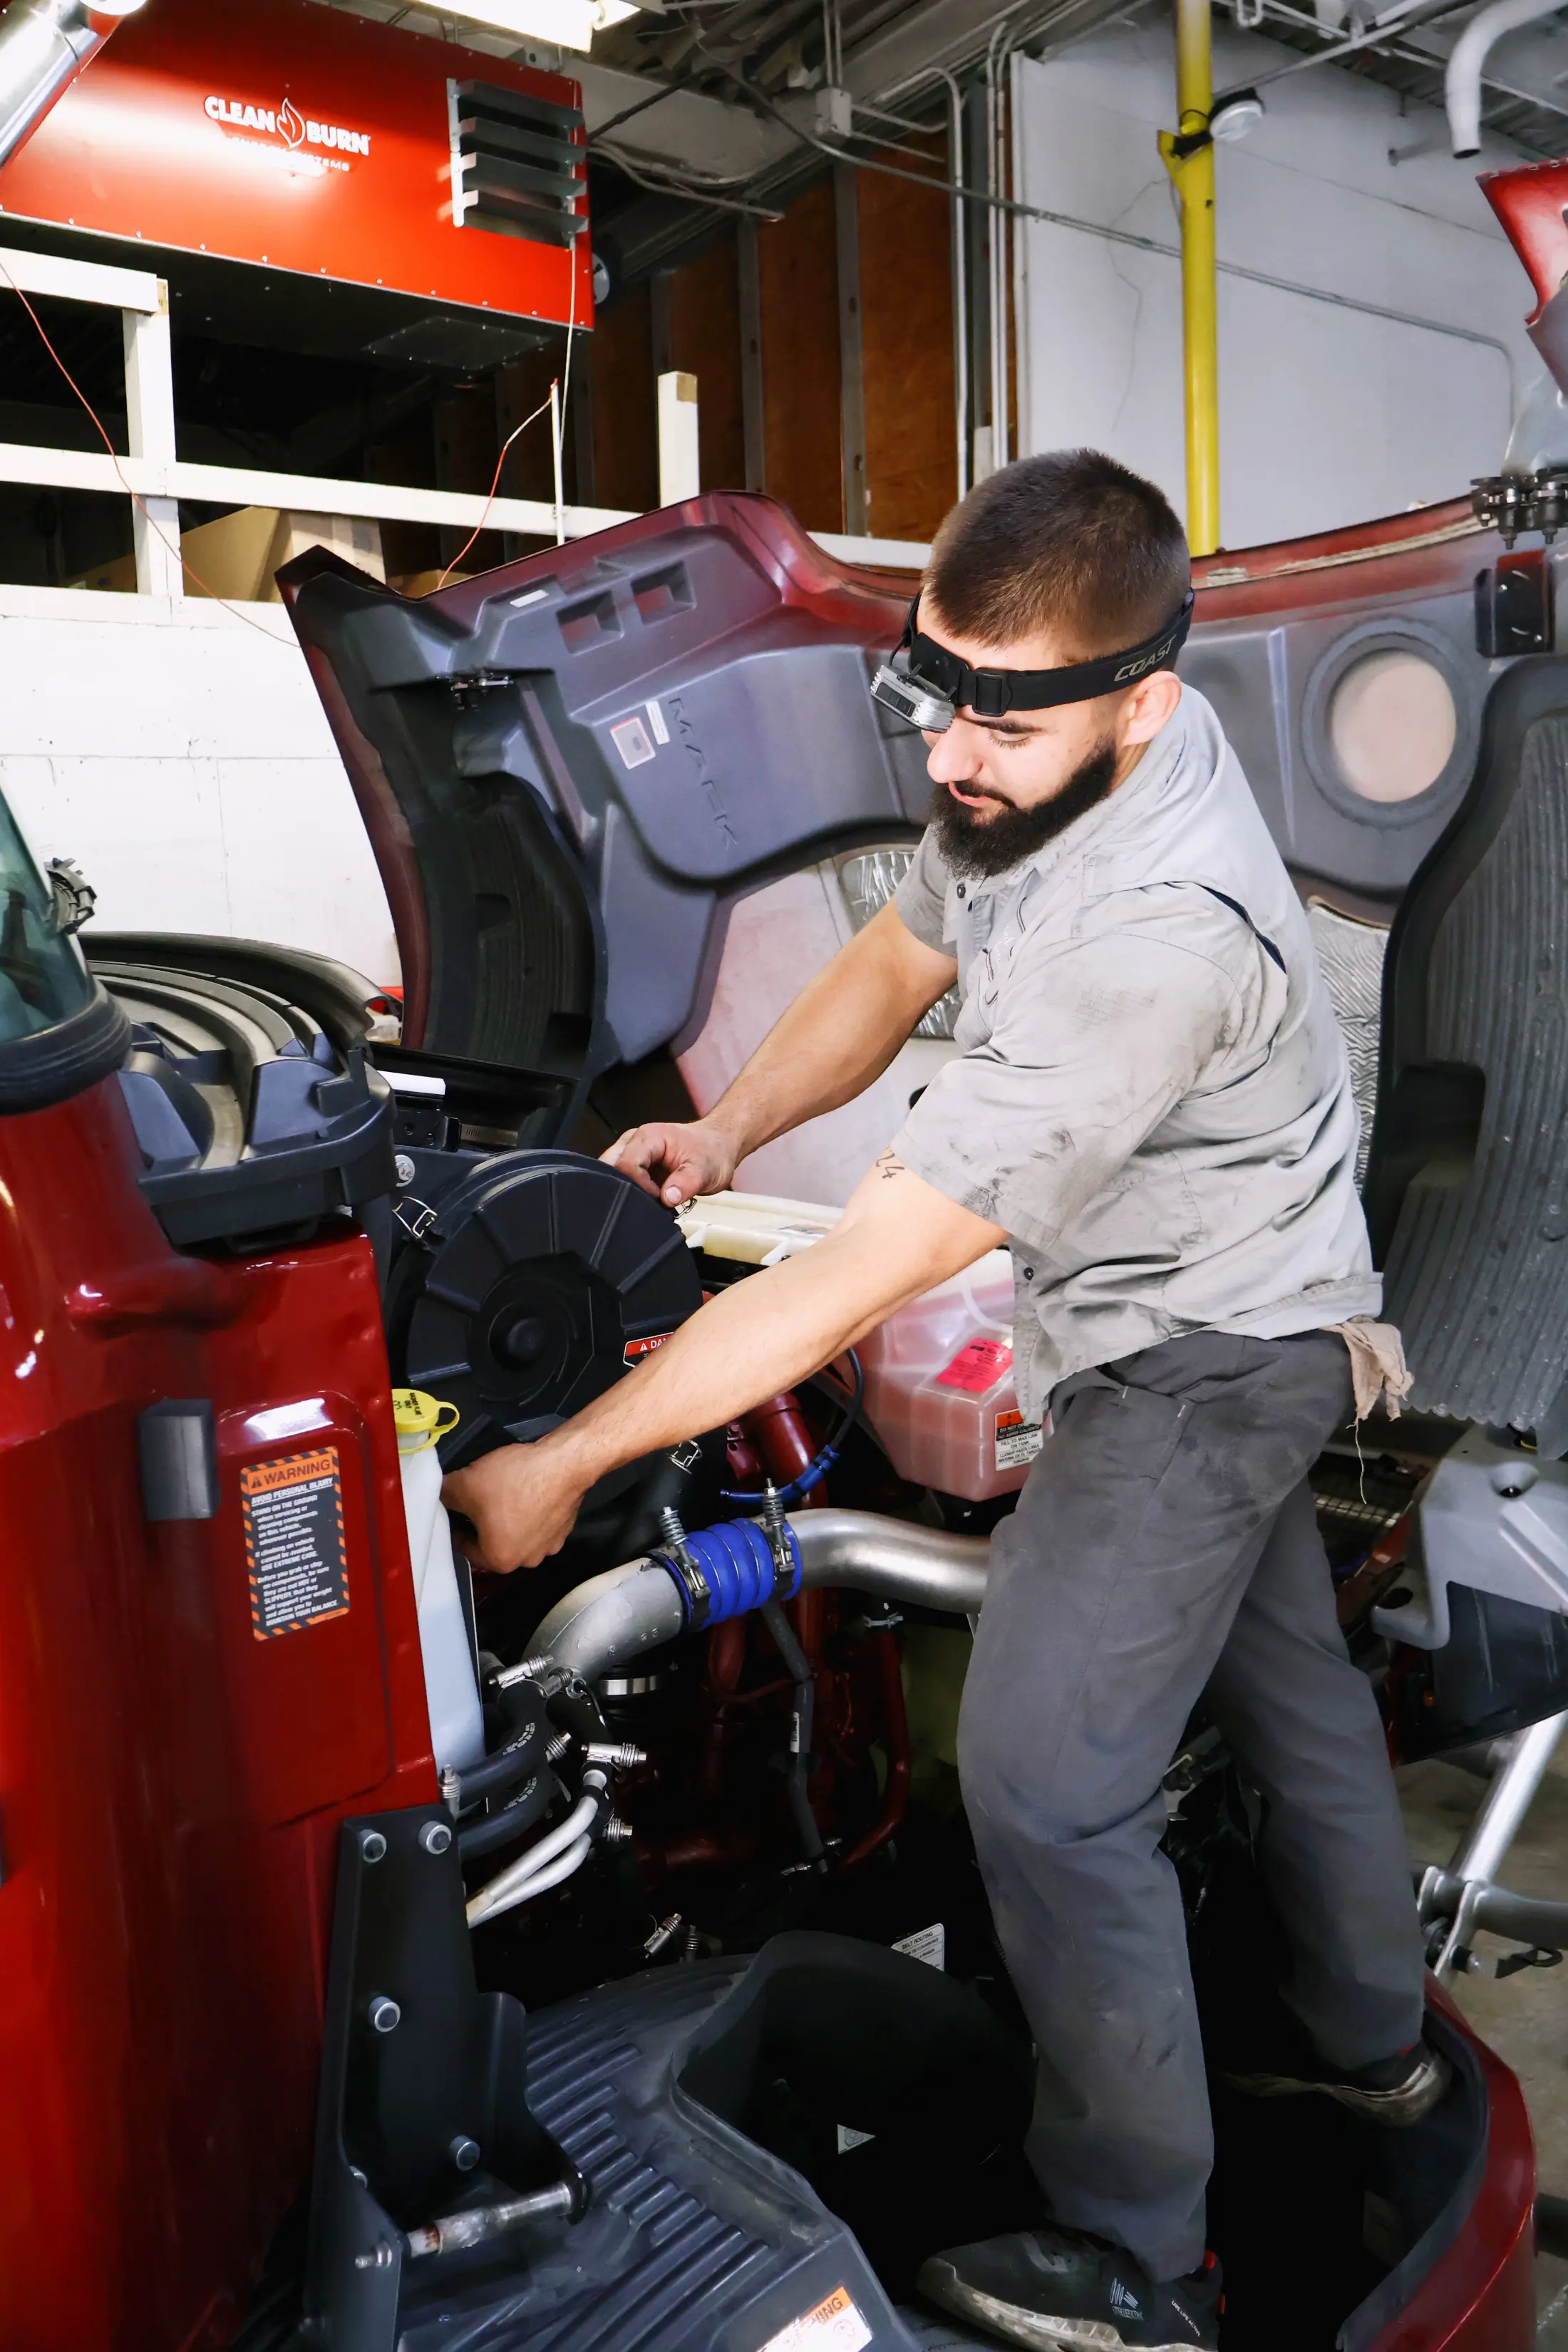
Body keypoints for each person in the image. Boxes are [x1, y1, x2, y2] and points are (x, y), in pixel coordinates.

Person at [444, 450, 1435, 2352]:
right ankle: (1369, 2052)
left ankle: (1144, 2255)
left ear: (1142, 701)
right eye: (936, 684)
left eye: (1006, 707)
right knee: (1280, 1675)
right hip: (1252, 1286)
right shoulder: (1036, 763)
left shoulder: (1151, 933)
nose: (955, 747)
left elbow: (862, 1270)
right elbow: (902, 952)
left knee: (1049, 1787)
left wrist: (565, 1459)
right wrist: (728, 1121)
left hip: (1205, 1355)